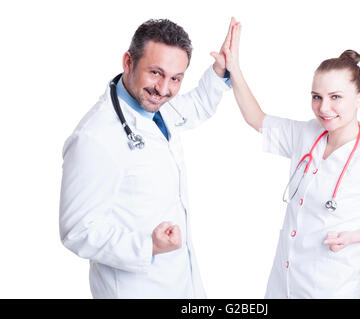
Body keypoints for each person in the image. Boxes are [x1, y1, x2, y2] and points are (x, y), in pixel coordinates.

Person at [223, 20, 360, 298]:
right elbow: (257, 119)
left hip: (329, 287)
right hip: (284, 281)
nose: (323, 108)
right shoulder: (307, 134)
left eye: (335, 97)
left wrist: (353, 236)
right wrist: (235, 71)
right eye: (316, 97)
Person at [59, 18, 237, 298]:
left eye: (176, 78)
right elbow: (77, 230)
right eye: (155, 73)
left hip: (179, 282)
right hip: (135, 290)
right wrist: (147, 246)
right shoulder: (94, 138)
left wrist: (219, 71)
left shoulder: (157, 108)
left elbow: (195, 106)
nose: (164, 89)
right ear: (128, 62)